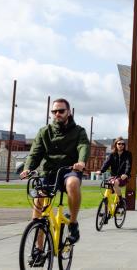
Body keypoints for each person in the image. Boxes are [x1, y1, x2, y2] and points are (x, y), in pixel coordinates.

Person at [20, 98, 89, 246]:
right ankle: (38, 250)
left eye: (61, 111)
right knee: (38, 212)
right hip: (48, 173)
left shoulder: (78, 131)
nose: (57, 114)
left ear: (68, 112)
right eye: (54, 111)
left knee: (73, 184)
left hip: (69, 170)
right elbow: (35, 153)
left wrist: (81, 162)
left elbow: (83, 146)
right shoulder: (44, 132)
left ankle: (73, 223)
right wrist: (28, 168)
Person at [97, 136, 131, 204]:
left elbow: (128, 165)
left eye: (123, 144)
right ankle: (106, 209)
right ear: (115, 144)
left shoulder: (128, 154)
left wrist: (126, 174)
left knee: (115, 183)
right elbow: (106, 163)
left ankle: (121, 200)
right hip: (113, 176)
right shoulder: (112, 155)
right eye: (119, 144)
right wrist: (101, 171)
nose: (121, 145)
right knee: (108, 184)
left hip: (123, 177)